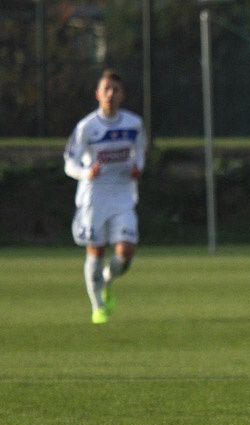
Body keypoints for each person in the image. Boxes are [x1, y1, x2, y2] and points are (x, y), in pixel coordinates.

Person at [64, 69, 146, 324]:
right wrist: (86, 172)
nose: (110, 93)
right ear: (98, 94)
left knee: (126, 251)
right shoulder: (87, 127)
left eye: (115, 89)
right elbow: (69, 163)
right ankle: (97, 306)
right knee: (96, 252)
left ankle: (107, 282)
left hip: (122, 195)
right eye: (106, 89)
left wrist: (137, 168)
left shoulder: (133, 124)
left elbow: (140, 152)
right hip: (94, 197)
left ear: (122, 94)